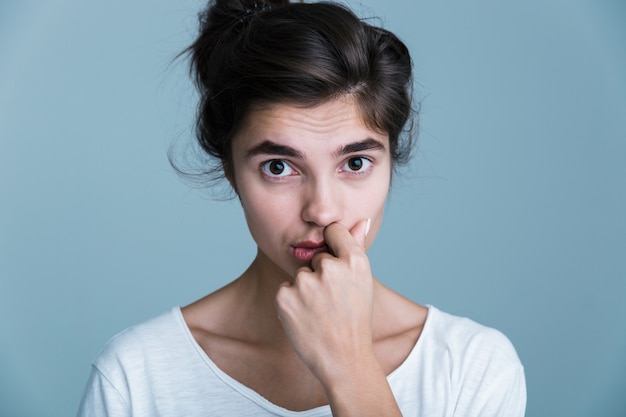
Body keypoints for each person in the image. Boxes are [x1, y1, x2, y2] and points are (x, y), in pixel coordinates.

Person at [77, 0, 526, 416]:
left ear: (391, 163)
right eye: (278, 167)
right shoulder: (135, 378)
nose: (322, 210)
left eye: (355, 163)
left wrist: (349, 365)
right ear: (231, 170)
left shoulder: (472, 369)